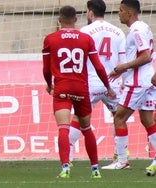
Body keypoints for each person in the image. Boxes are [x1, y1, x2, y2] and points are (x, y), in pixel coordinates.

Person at [42, 5, 116, 179]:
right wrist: (108, 87)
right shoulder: (85, 38)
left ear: (59, 20)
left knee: (63, 128)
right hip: (81, 88)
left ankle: (65, 167)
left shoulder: (50, 39)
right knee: (86, 128)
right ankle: (95, 169)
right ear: (76, 19)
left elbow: (46, 69)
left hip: (61, 87)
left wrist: (48, 84)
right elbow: (98, 66)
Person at [68, 0, 127, 165]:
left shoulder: (85, 31)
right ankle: (120, 155)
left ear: (90, 12)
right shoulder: (118, 32)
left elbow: (78, 59)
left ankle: (69, 157)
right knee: (119, 117)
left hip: (90, 82)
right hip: (112, 82)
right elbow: (123, 61)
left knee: (78, 118)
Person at [102, 0, 156, 175]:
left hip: (137, 82)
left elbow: (146, 56)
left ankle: (122, 160)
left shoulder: (137, 30)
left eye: (120, 10)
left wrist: (123, 67)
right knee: (147, 120)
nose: (118, 13)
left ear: (129, 13)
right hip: (146, 80)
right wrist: (122, 71)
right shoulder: (143, 27)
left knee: (119, 118)